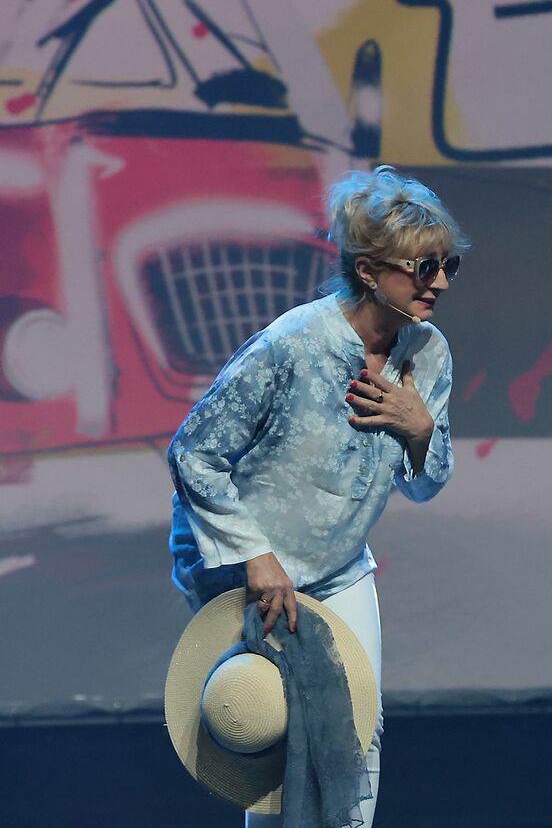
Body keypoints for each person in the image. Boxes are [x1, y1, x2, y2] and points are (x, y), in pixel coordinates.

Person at [167, 165, 465, 826]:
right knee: (274, 736)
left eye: (448, 266)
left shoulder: (428, 353)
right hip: (251, 567)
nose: (441, 282)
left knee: (356, 730)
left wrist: (420, 432)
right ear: (368, 271)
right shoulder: (293, 343)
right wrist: (254, 555)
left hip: (339, 567)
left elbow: (424, 484)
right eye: (424, 268)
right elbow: (193, 452)